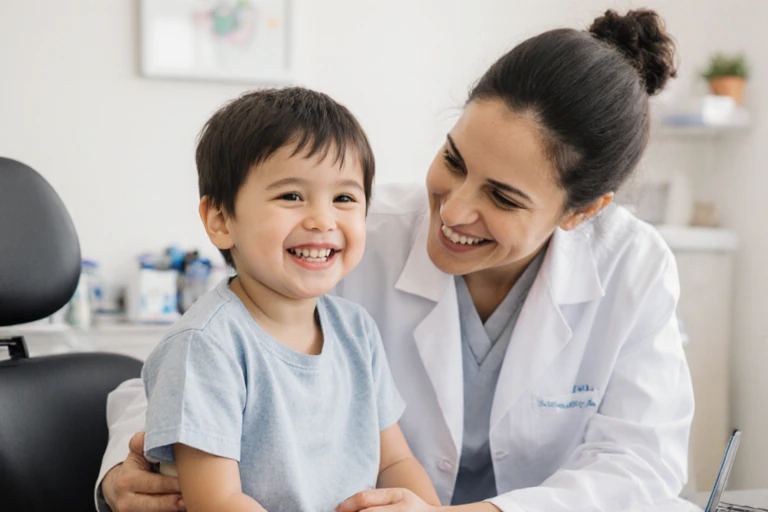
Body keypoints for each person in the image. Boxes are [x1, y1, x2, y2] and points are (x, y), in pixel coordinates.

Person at [96, 9, 694, 512]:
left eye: (503, 197)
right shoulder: (346, 235)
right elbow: (181, 374)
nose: (454, 210)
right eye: (454, 161)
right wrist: (122, 473)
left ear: (581, 212)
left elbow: (641, 465)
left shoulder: (632, 267)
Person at [127, 87, 440, 512]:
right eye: (291, 196)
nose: (323, 220)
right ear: (221, 220)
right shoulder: (205, 345)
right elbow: (217, 501)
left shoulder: (357, 330)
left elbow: (396, 462)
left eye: (344, 198)